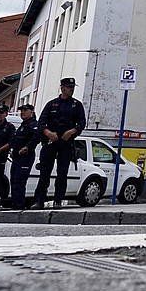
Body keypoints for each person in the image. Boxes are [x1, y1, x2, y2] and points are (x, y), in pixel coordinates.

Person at [33, 77, 86, 209]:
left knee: (62, 173)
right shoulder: (52, 104)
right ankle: (39, 200)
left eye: (73, 87)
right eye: (69, 87)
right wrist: (48, 132)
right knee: (45, 173)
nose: (71, 90)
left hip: (66, 142)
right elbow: (41, 123)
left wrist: (72, 131)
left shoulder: (76, 105)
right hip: (51, 141)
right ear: (62, 88)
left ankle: (58, 200)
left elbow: (81, 123)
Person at [8, 103, 40, 209]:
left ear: (31, 112)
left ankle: (19, 204)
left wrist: (27, 147)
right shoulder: (23, 125)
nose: (23, 112)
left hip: (26, 156)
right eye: (22, 110)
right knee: (14, 180)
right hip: (17, 156)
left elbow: (36, 138)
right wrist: (13, 150)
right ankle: (15, 203)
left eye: (25, 110)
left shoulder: (33, 124)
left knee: (20, 180)